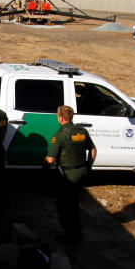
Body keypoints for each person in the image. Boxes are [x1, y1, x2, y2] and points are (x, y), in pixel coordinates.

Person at [45, 105, 96, 245]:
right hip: (81, 172)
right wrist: (88, 166)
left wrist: (43, 171)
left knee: (65, 206)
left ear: (61, 118)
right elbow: (93, 150)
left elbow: (50, 159)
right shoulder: (82, 131)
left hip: (67, 175)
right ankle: (76, 232)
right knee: (74, 203)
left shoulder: (60, 135)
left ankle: (70, 234)